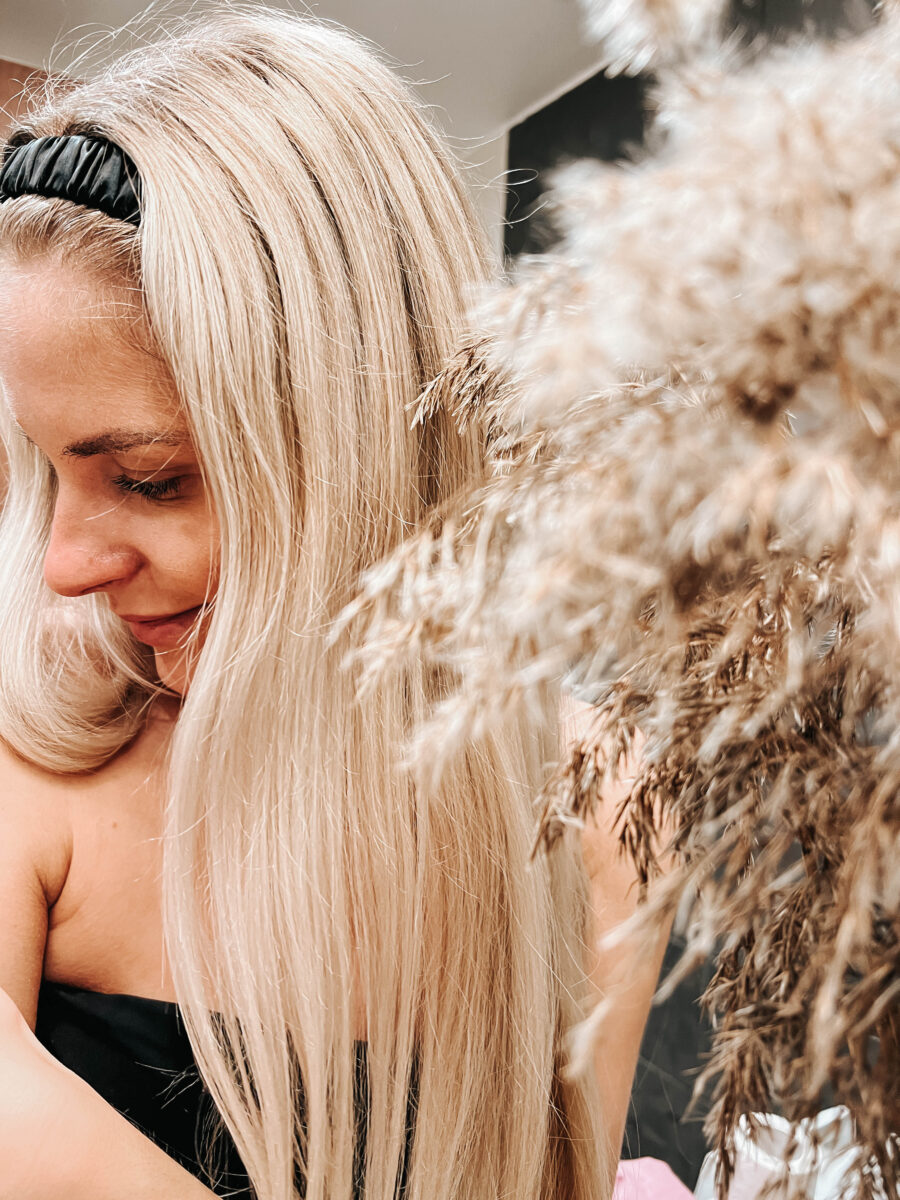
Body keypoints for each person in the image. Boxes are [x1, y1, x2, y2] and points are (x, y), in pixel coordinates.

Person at [0, 9, 668, 1199]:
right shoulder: (36, 751)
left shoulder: (591, 805)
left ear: (359, 451)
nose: (64, 564)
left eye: (147, 479)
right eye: (50, 472)